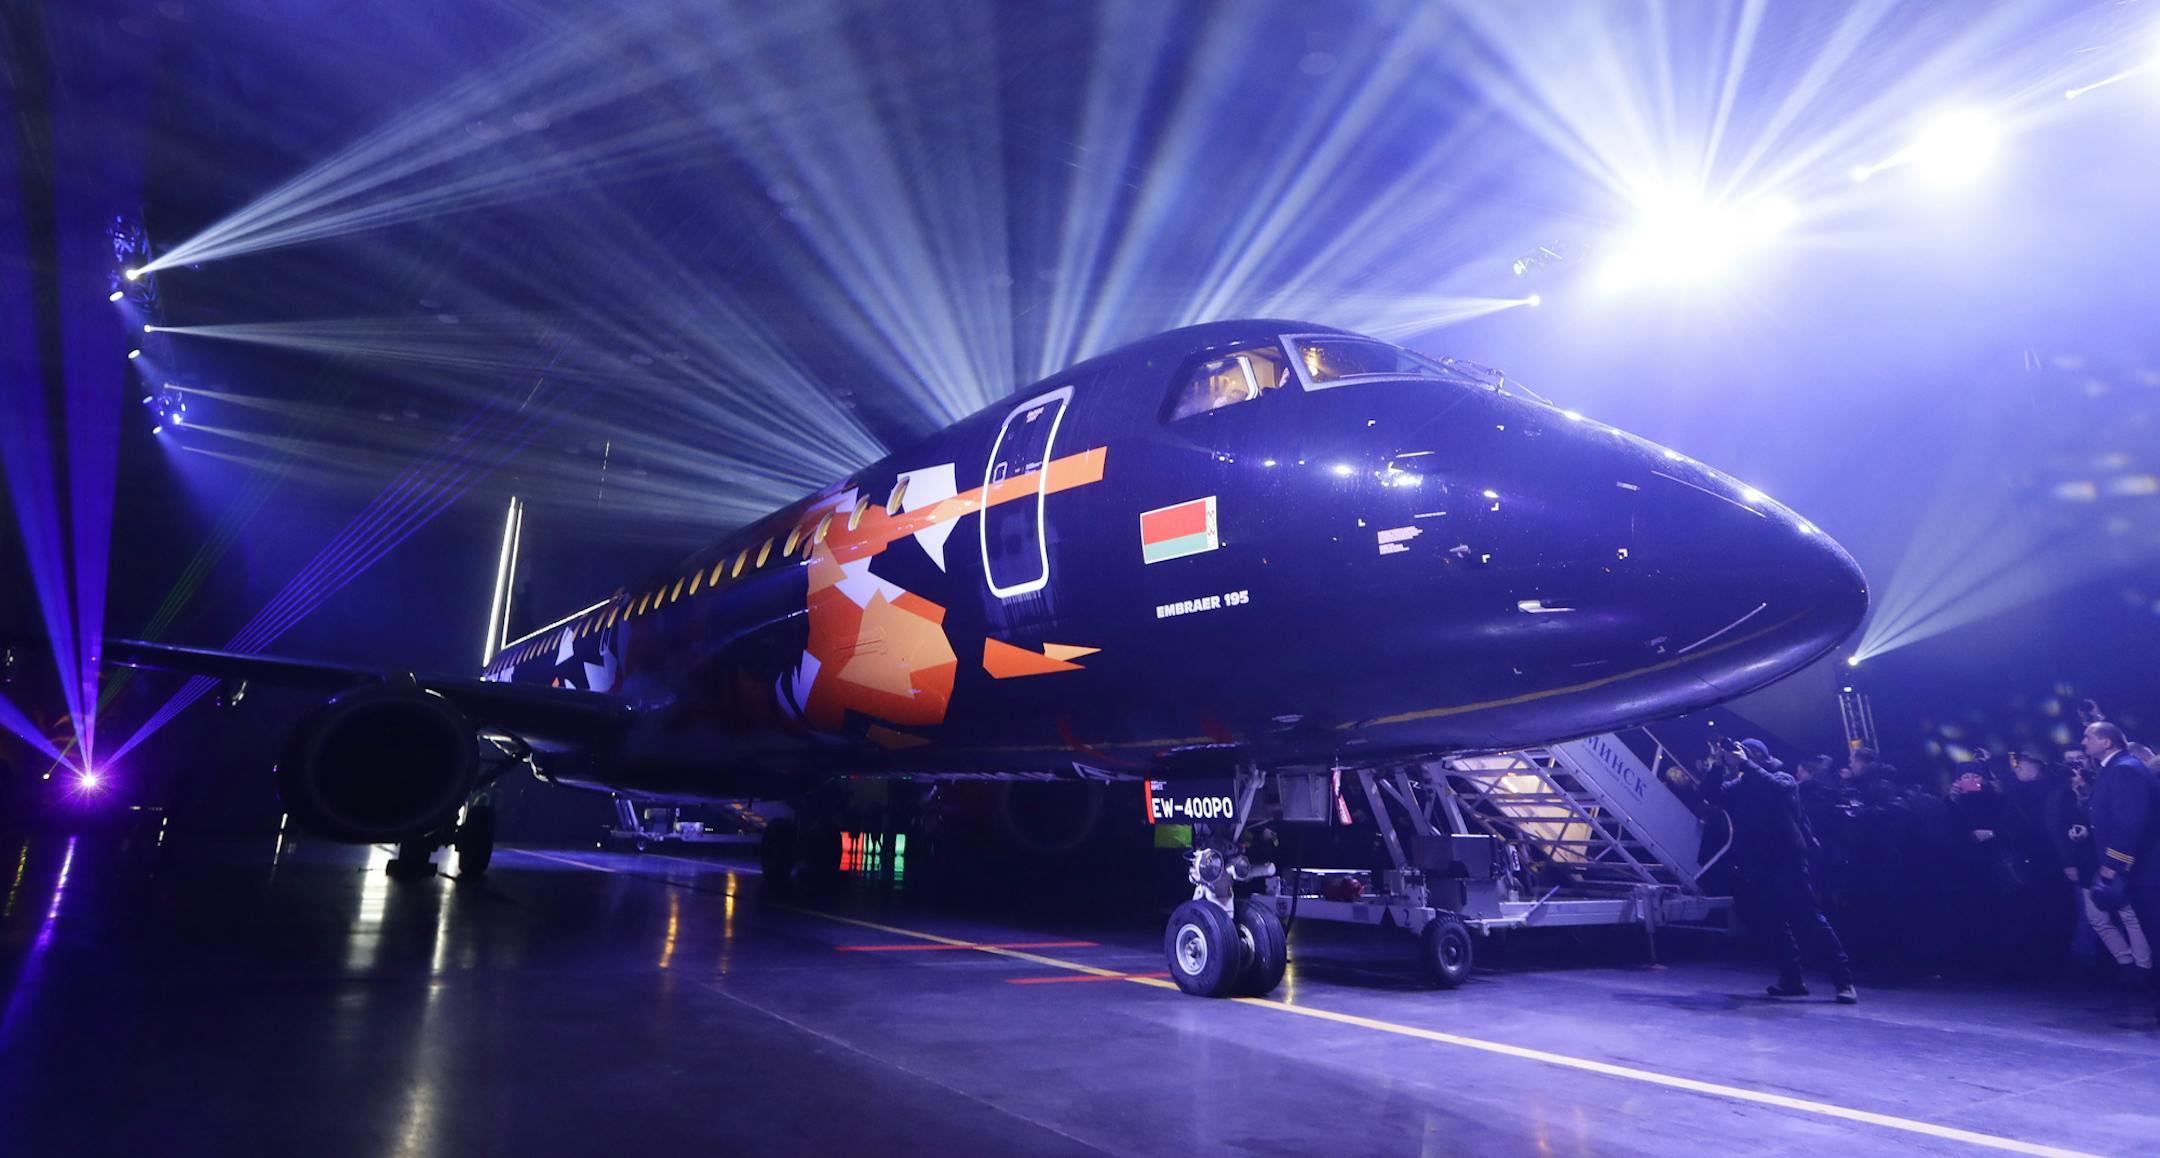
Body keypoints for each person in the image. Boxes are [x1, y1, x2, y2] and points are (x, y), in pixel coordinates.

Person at [1701, 737, 1858, 1004]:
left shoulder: (1782, 778)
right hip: (1758, 864)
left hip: (1788, 861)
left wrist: (1746, 764)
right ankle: (1791, 979)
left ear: (1758, 756)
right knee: (1772, 924)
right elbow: (1711, 794)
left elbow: (1776, 790)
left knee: (1810, 921)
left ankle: (1843, 981)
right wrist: (1718, 765)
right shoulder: (1741, 786)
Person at [2082, 721, 2160, 1016]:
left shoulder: (2125, 769)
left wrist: (2113, 864)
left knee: (2155, 929)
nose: (2083, 742)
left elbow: (2130, 823)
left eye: (2088, 736)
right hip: (2142, 868)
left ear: (2106, 741)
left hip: (2145, 869)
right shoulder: (2117, 768)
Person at [2051, 757, 2151, 977]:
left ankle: (2143, 966)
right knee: (2097, 919)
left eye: (2080, 768)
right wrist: (2074, 846)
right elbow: (2061, 826)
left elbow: (2118, 825)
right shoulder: (2068, 797)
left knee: (2128, 915)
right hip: (2088, 862)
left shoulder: (2105, 792)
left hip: (2111, 860)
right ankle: (2126, 961)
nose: (2076, 776)